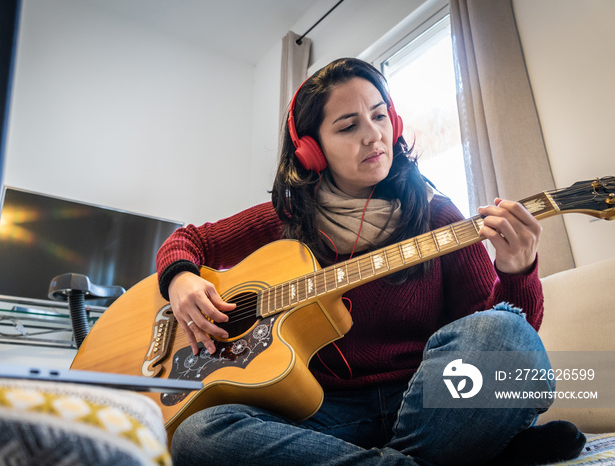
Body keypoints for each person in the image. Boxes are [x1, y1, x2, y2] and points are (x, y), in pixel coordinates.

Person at [155, 58, 585, 465]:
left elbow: (502, 343)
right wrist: (180, 280)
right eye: (348, 126)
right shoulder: (285, 219)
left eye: (381, 117)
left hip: (427, 405)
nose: (374, 136)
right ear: (311, 150)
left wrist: (518, 269)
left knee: (503, 331)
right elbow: (188, 240)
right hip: (321, 416)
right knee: (198, 434)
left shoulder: (439, 217)